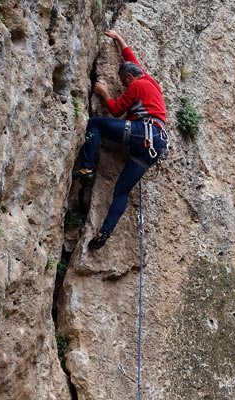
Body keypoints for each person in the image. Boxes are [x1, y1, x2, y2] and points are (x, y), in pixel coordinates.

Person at [73, 30, 168, 250]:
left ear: (128, 78)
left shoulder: (135, 85)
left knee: (95, 124)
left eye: (123, 83)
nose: (124, 87)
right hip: (155, 145)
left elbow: (116, 110)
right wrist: (118, 39)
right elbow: (130, 58)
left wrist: (104, 92)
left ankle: (87, 168)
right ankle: (104, 233)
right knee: (122, 191)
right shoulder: (148, 80)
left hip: (143, 132)